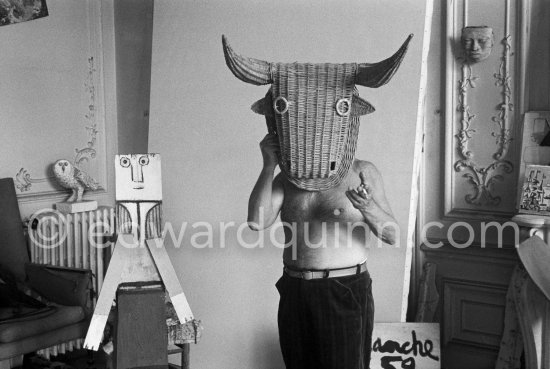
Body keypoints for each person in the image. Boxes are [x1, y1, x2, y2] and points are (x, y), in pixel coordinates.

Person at [248, 133, 398, 369]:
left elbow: (392, 235)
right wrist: (269, 165)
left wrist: (367, 206)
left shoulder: (362, 171)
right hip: (295, 289)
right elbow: (257, 222)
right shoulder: (287, 177)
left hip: (343, 288)